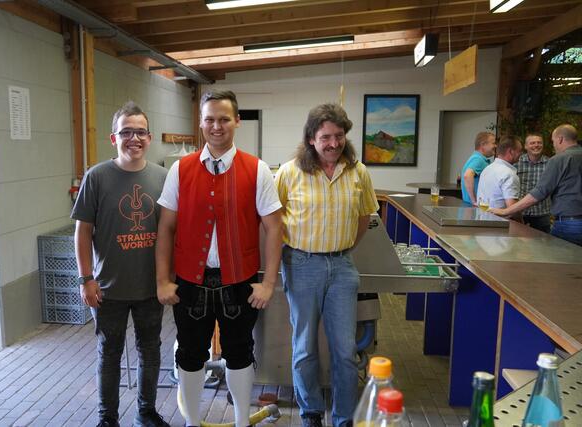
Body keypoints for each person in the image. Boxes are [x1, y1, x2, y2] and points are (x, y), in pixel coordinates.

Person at [155, 90, 282, 427]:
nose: (216, 126)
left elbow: (274, 228)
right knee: (189, 354)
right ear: (200, 123)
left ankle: (241, 421)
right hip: (190, 282)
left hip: (239, 282)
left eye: (224, 119)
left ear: (237, 121)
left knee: (240, 352)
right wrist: (163, 280)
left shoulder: (257, 170)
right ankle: (192, 422)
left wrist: (268, 283)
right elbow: (166, 228)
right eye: (209, 119)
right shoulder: (180, 170)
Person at [275, 103, 379, 427]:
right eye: (325, 137)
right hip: (301, 264)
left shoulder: (358, 172)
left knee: (345, 350)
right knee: (304, 347)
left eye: (339, 136)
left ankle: (344, 418)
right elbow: (271, 219)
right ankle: (311, 413)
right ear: (311, 138)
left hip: (342, 266)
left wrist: (342, 247)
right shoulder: (289, 172)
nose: (334, 143)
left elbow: (364, 217)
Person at [72, 101, 169, 427]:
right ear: (113, 138)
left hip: (150, 287)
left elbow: (172, 231)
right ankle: (107, 418)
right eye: (126, 132)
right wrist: (86, 278)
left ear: (149, 137)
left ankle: (146, 412)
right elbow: (83, 232)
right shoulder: (97, 177)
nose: (134, 138)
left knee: (150, 351)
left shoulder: (164, 178)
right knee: (109, 353)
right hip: (107, 289)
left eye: (140, 132)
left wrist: (168, 278)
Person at [489, 124, 582, 246]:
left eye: (553, 141)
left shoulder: (558, 159)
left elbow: (540, 192)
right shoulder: (517, 162)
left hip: (568, 225)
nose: (554, 145)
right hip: (531, 216)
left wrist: (505, 211)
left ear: (560, 139)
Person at [516, 133, 551, 233]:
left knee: (543, 242)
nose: (536, 145)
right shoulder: (517, 162)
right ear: (525, 146)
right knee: (517, 241)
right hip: (520, 212)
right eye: (532, 143)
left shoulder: (550, 163)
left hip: (542, 214)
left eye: (539, 142)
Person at [476, 136, 523, 211]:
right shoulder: (509, 174)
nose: (521, 154)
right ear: (511, 152)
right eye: (520, 151)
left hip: (482, 215)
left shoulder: (487, 169)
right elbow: (512, 210)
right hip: (499, 218)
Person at [461, 132, 497, 205]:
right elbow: (467, 176)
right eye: (493, 143)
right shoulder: (478, 159)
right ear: (483, 145)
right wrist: (474, 201)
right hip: (473, 208)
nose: (496, 146)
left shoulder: (477, 158)